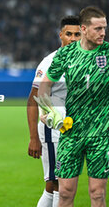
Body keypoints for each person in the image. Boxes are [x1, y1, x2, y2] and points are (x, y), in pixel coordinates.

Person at [38, 6, 109, 207]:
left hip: (101, 134)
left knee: (98, 194)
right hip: (71, 133)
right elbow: (44, 86)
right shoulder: (66, 54)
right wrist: (47, 112)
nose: (103, 33)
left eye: (105, 28)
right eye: (98, 28)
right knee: (64, 193)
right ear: (84, 29)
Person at [27, 16, 81, 207]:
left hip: (75, 131)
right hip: (54, 131)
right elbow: (33, 100)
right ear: (61, 36)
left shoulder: (85, 62)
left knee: (59, 185)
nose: (73, 38)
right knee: (59, 184)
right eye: (69, 34)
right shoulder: (50, 62)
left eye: (77, 34)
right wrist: (34, 137)